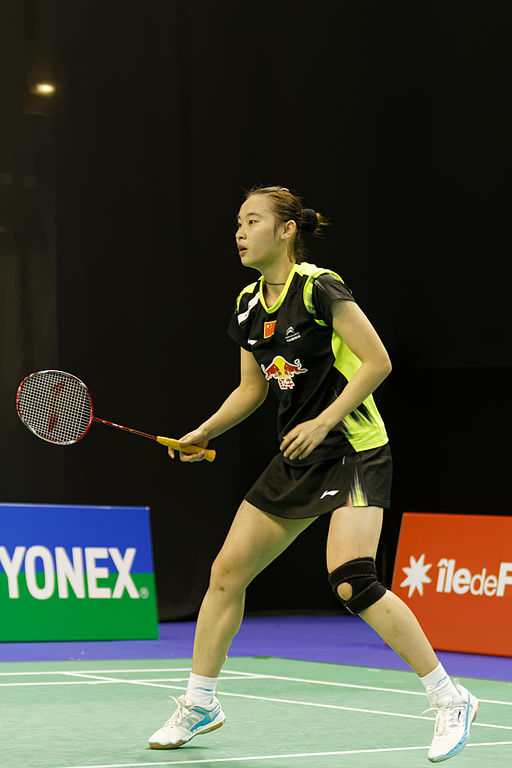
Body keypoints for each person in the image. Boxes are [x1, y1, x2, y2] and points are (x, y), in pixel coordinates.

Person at [148, 185, 479, 762]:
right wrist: (205, 432)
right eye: (237, 222)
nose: (240, 231)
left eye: (252, 221)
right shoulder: (249, 305)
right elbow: (253, 388)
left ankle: (450, 699)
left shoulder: (320, 288)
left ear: (286, 231)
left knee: (351, 577)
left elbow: (378, 361)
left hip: (352, 443)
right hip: (299, 453)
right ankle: (200, 702)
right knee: (226, 573)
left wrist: (325, 420)